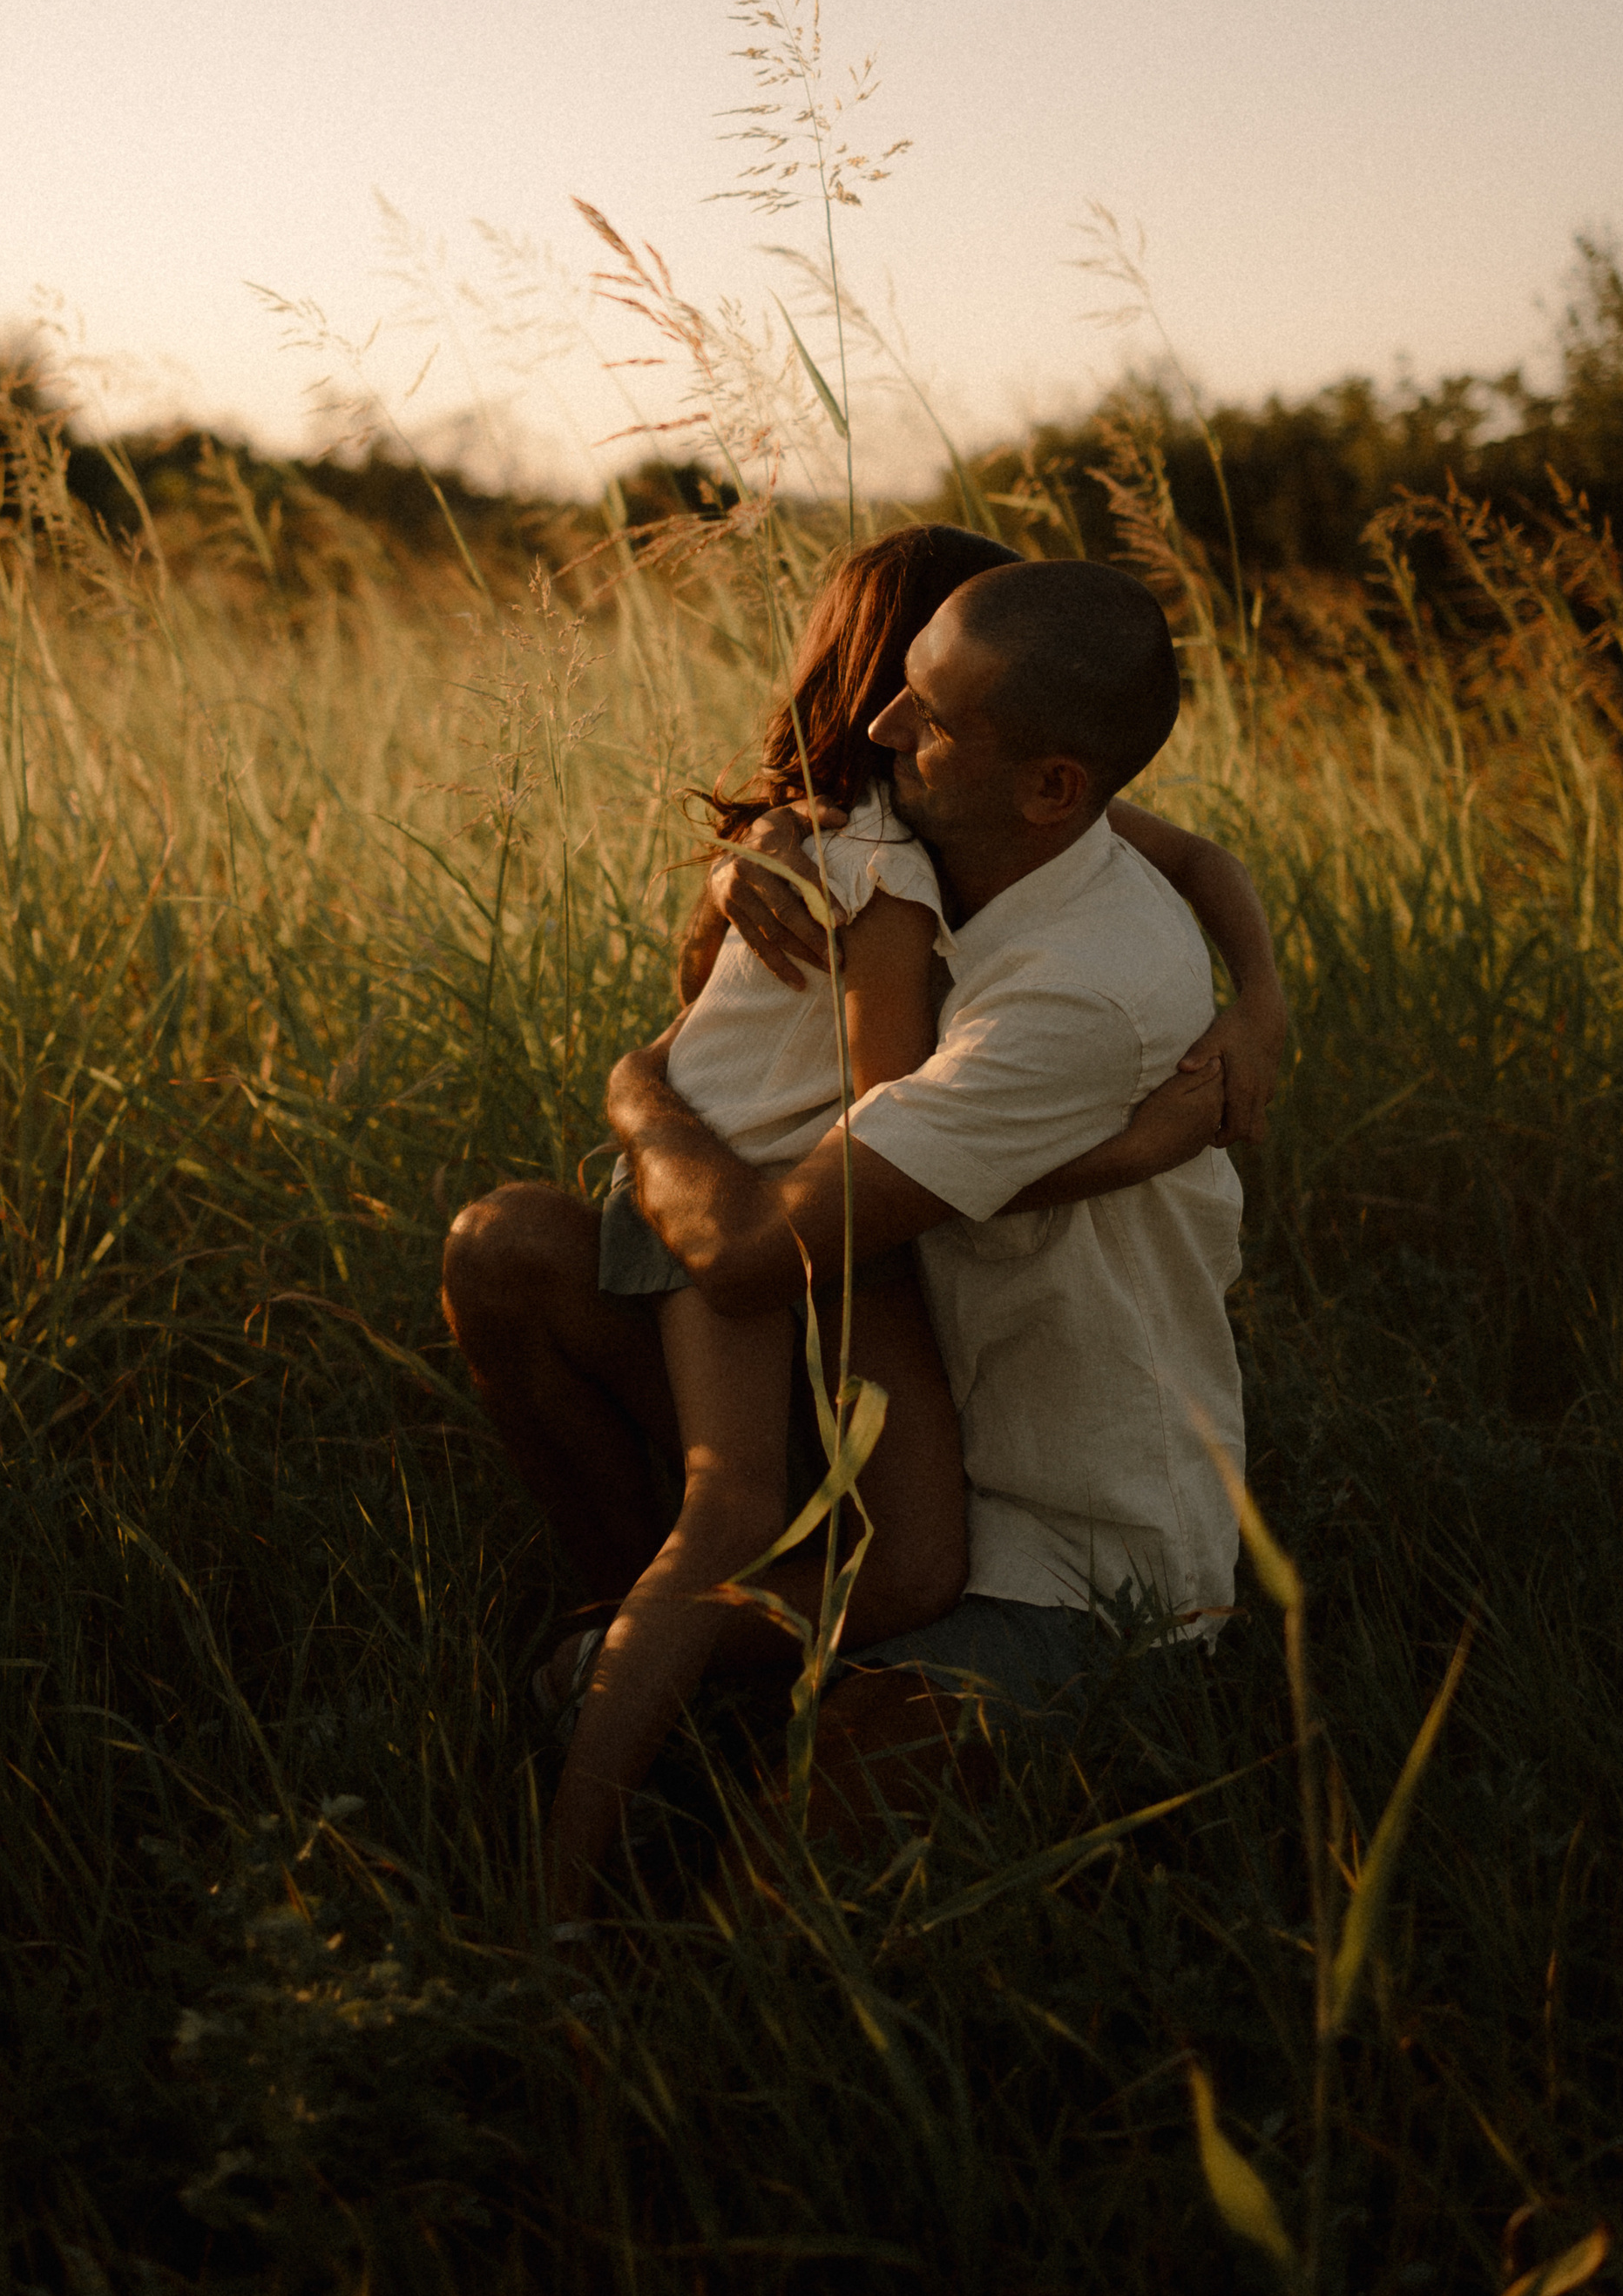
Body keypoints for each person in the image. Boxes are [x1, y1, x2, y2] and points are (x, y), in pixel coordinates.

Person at [443, 536, 1286, 1917]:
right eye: (893, 690)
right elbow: (1188, 852)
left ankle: (646, 1690)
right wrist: (1252, 1003)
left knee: (773, 1914)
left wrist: (638, 1091)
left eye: (928, 715)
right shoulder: (973, 833)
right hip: (885, 1405)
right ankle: (663, 1662)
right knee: (513, 1246)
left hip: (1063, 1557)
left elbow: (751, 1250)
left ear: (1048, 782)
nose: (883, 730)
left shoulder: (1066, 986)